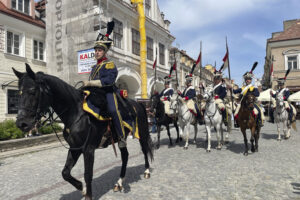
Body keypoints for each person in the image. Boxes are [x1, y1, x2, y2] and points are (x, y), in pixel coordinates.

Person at [83, 21, 126, 148]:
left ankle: (121, 136)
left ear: (104, 52)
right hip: (95, 92)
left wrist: (90, 82)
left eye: (99, 50)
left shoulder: (109, 64)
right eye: (96, 50)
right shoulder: (94, 67)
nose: (97, 52)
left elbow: (109, 81)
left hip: (108, 91)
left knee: (113, 110)